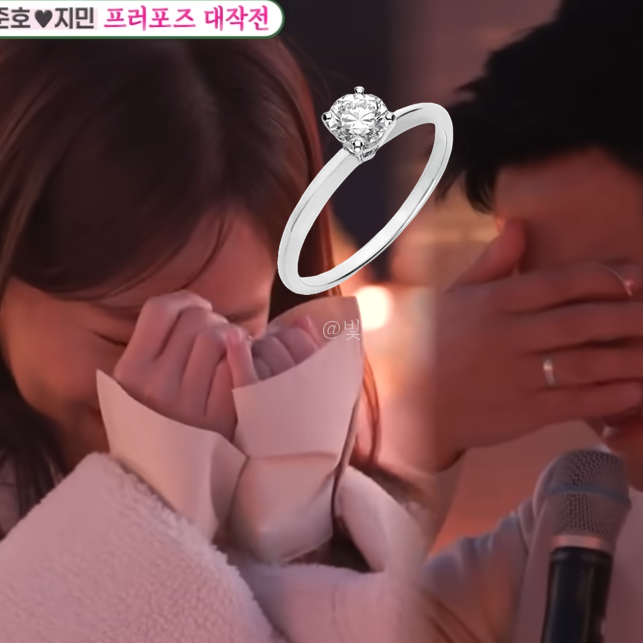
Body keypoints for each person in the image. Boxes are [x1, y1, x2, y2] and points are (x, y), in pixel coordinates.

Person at [0, 39, 428, 643]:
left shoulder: (361, 515)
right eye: (123, 331)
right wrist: (148, 508)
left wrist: (294, 530)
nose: (179, 374)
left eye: (231, 327)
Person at [423, 0, 643, 641]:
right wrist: (423, 423)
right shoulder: (571, 531)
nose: (585, 355)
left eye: (620, 291)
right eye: (547, 310)